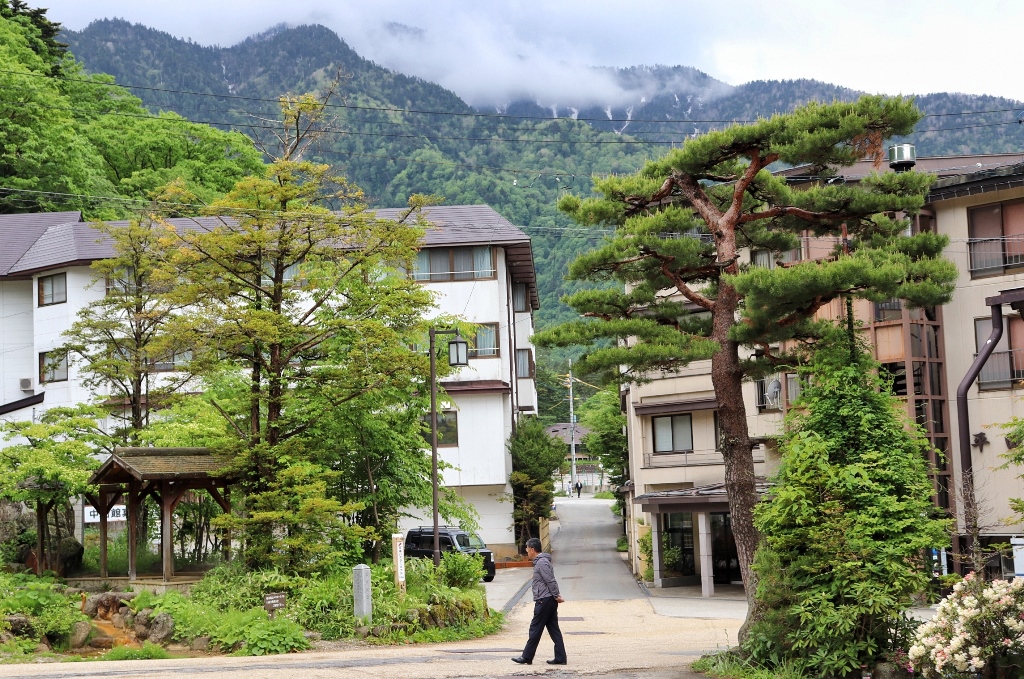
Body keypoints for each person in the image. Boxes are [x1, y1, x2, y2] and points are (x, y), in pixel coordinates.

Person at [512, 537, 567, 666]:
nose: (526, 551)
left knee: (535, 628)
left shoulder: (541, 562)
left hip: (545, 600)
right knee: (554, 629)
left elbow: (550, 580)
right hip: (547, 599)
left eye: (527, 548)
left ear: (532, 549)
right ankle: (560, 657)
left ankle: (526, 657)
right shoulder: (541, 562)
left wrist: (556, 595)